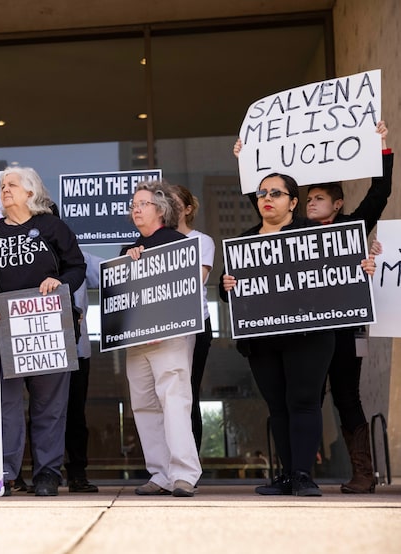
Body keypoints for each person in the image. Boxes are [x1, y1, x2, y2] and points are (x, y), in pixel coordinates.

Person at [234, 122, 391, 494]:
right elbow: (262, 213)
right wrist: (246, 162)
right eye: (262, 193)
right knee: (284, 404)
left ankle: (320, 474)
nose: (266, 197)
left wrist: (380, 148)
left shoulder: (334, 232)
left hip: (325, 335)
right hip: (269, 338)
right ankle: (290, 474)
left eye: (277, 192)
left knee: (331, 399)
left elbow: (378, 196)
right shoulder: (250, 237)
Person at [0, 166, 86, 497]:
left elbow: (77, 265)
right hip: (2, 331)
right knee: (3, 408)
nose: (5, 190)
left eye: (12, 185)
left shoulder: (51, 227)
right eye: (2, 185)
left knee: (49, 405)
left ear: (30, 192)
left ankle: (47, 473)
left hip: (47, 330)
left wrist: (60, 282)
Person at [122, 180, 202, 498]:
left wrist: (159, 325)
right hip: (137, 342)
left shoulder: (178, 243)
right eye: (134, 204)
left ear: (161, 209)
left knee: (174, 401)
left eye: (142, 203)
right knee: (144, 406)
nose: (136, 209)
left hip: (168, 338)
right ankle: (160, 473)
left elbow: (185, 291)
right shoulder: (128, 249)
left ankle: (183, 474)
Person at [169, 185, 215, 452]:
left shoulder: (202, 241)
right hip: (160, 325)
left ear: (188, 209)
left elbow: (198, 278)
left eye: (175, 202)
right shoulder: (151, 240)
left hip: (194, 323)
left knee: (187, 393)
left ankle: (189, 465)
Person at [64, 252, 104, 493]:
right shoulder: (29, 257)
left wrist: (135, 255)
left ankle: (77, 473)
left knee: (76, 416)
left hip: (77, 350)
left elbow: (112, 274)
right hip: (39, 350)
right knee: (40, 414)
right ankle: (42, 473)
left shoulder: (79, 257)